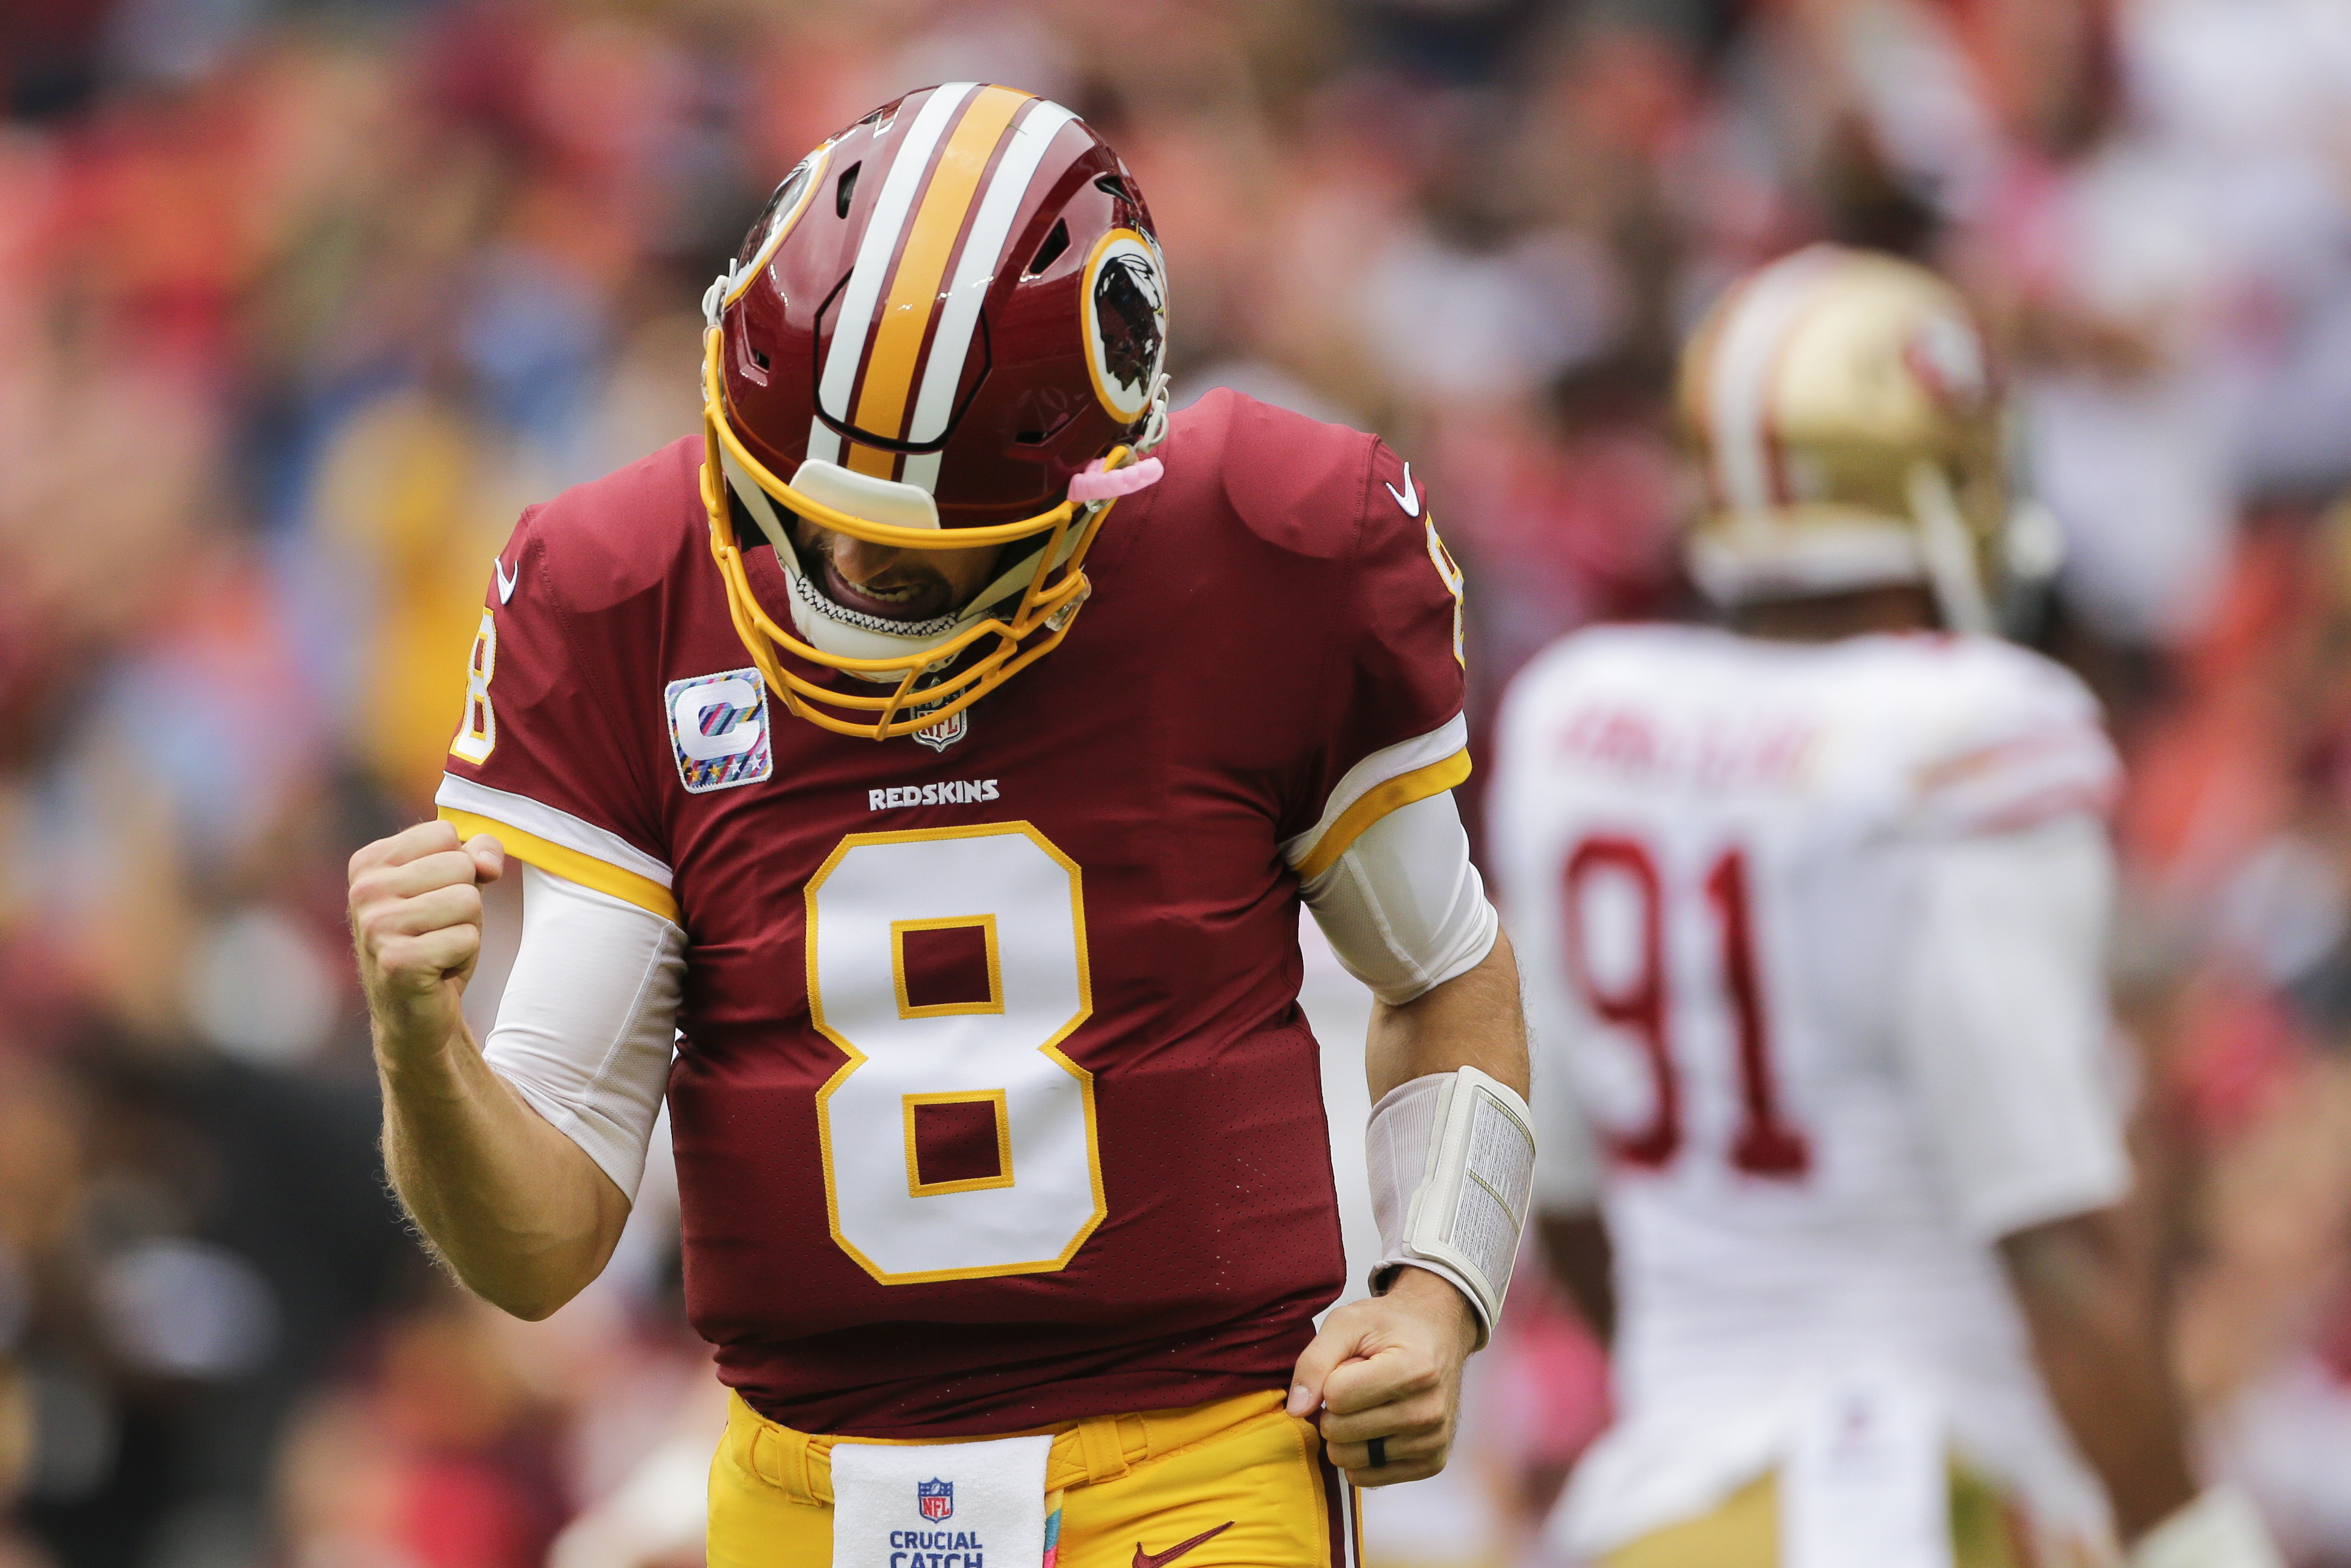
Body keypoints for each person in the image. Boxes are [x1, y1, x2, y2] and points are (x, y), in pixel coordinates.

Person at [344, 84, 1535, 1568]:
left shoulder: (1268, 545)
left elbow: (1437, 975)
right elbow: (538, 1248)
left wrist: (1435, 1289)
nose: (848, 562)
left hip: (1193, 1464)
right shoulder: (620, 588)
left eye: (920, 551)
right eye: (804, 510)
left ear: (1100, 476)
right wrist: (420, 1047)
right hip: (803, 1484)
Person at [1490, 245, 2280, 1568]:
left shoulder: (1579, 719)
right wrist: (2192, 1536)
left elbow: (1568, 1196)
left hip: (1659, 1511)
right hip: (1920, 1495)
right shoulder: (1974, 735)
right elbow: (2057, 1243)